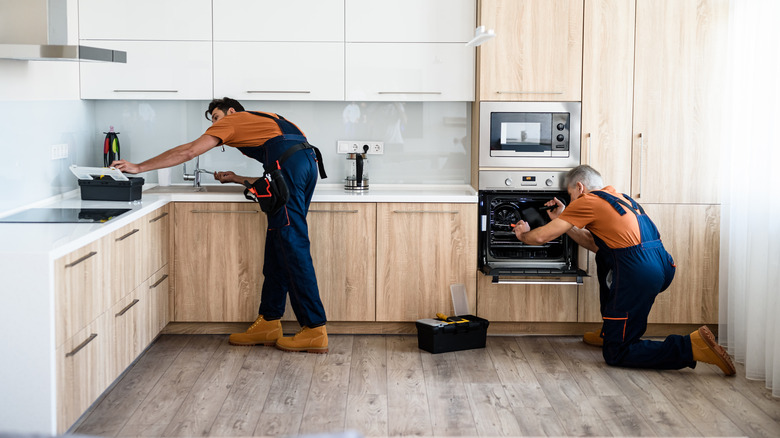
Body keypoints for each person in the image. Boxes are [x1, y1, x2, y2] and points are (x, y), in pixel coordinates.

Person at [111, 97, 329, 354]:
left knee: (292, 246)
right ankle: (269, 322)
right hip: (305, 166)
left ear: (232, 112)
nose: (214, 125)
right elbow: (278, 175)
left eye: (215, 117)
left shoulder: (234, 120)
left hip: (292, 169)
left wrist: (139, 166)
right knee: (279, 246)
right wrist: (237, 178)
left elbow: (189, 151)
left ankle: (314, 328)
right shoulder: (268, 121)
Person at [513, 165, 735, 375]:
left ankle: (691, 347)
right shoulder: (622, 199)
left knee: (617, 353)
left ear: (580, 187)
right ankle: (611, 331)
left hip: (638, 271)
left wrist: (523, 234)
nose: (571, 201)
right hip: (660, 265)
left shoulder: (587, 200)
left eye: (570, 195)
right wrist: (564, 218)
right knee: (604, 257)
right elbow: (596, 245)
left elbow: (542, 236)